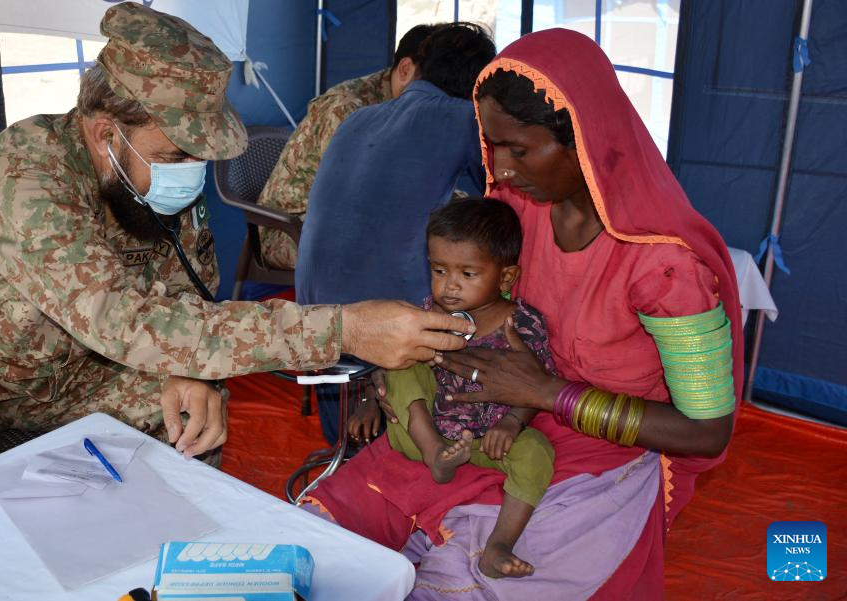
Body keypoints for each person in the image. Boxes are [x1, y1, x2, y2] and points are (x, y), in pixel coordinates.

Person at [0, 4, 475, 517]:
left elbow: (185, 298)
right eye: (174, 155)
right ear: (105, 133)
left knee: (190, 418)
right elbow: (122, 319)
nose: (189, 174)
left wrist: (190, 373)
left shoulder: (153, 181)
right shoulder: (27, 175)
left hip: (80, 374)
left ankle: (150, 568)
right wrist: (344, 328)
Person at [303, 28, 742, 600]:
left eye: (518, 149)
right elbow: (458, 298)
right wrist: (390, 371)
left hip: (589, 456)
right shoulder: (517, 212)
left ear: (581, 140)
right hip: (477, 415)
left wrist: (548, 394)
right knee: (323, 534)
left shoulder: (663, 266)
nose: (502, 169)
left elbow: (707, 431)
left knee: (464, 577)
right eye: (492, 146)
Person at [296, 22, 495, 445]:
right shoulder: (464, 119)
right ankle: (440, 441)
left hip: (311, 323)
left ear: (419, 67)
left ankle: (347, 452)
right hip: (386, 328)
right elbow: (501, 199)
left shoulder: (357, 117)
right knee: (492, 293)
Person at [349, 198, 556, 578]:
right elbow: (389, 371)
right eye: (439, 270)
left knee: (537, 451)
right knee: (404, 359)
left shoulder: (522, 325)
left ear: (506, 278)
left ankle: (499, 545)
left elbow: (538, 387)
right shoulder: (430, 313)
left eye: (468, 273)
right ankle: (434, 453)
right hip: (418, 432)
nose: (450, 285)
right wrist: (370, 401)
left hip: (489, 444)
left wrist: (512, 424)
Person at [256, 23, 437, 271]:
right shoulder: (347, 109)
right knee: (404, 247)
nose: (438, 104)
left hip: (338, 224)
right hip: (289, 230)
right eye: (433, 91)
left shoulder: (407, 106)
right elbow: (358, 199)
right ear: (405, 69)